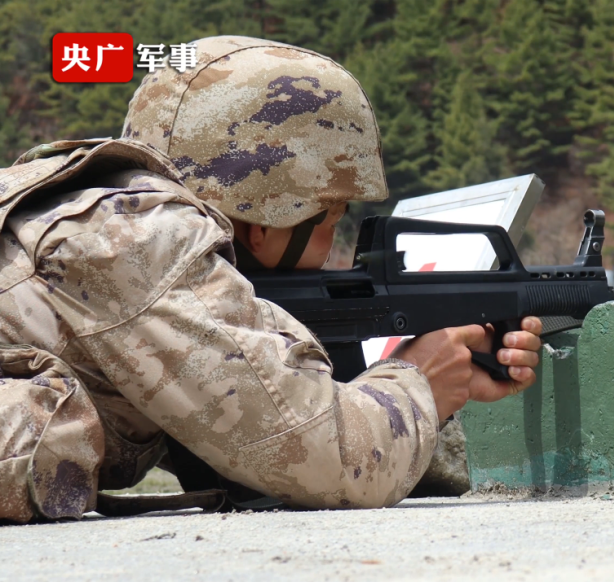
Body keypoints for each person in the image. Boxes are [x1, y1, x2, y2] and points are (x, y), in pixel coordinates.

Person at [0, 35, 542, 523]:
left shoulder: (97, 221)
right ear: (270, 221)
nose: (334, 248)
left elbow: (244, 446)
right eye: (332, 218)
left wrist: (433, 396)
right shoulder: (139, 240)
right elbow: (324, 459)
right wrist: (419, 379)